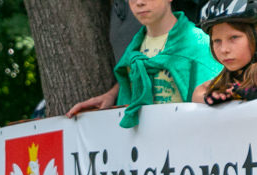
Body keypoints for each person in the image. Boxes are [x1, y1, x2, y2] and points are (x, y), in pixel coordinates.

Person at [66, 0, 220, 127]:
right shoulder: (133, 51)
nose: (139, 2)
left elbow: (216, 110)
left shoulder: (199, 45)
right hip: (142, 155)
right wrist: (112, 95)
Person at [191, 0, 257, 104]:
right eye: (217, 41)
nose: (224, 49)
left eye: (234, 37)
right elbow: (198, 92)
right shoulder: (225, 82)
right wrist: (206, 97)